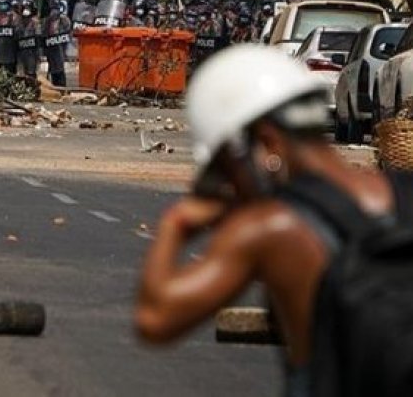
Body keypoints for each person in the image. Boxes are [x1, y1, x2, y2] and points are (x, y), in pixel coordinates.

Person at [134, 45, 408, 397]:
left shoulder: (273, 228)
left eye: (227, 170)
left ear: (266, 144)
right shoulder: (405, 190)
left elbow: (155, 318)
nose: (232, 186)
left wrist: (177, 224)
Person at [42, 0, 71, 86]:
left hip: (60, 47)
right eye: (52, 9)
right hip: (50, 48)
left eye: (55, 9)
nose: (53, 12)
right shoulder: (47, 21)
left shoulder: (64, 20)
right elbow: (44, 34)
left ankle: (62, 87)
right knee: (53, 69)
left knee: (60, 69)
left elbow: (67, 32)